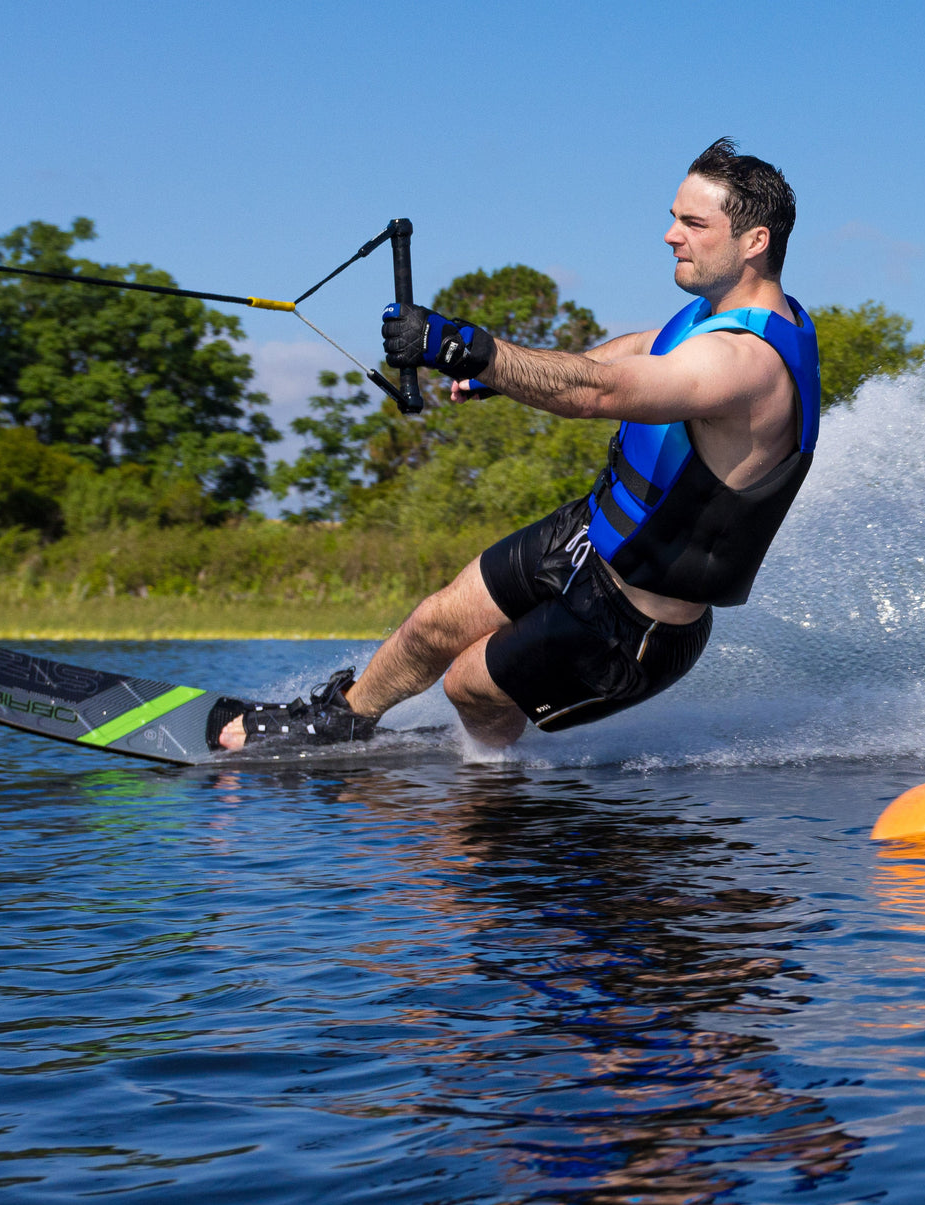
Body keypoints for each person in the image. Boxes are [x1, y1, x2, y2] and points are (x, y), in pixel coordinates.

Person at [217, 138, 820, 752]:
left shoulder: (744, 363)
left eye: (693, 223)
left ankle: (493, 792)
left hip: (634, 623)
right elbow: (636, 349)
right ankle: (338, 722)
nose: (670, 235)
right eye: (673, 217)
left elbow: (600, 394)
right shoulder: (715, 314)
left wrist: (470, 349)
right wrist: (500, 378)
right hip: (589, 536)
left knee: (469, 683)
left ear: (755, 241)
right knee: (434, 622)